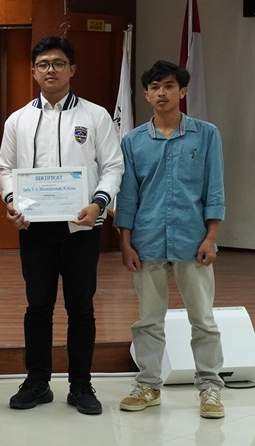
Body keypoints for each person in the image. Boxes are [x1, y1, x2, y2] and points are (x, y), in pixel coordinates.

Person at [0, 36, 124, 415]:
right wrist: (11, 200)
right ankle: (37, 381)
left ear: (72, 69)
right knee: (38, 306)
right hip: (34, 227)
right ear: (33, 72)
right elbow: (5, 168)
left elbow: (113, 165)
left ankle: (81, 384)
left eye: (57, 63)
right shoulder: (18, 119)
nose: (50, 70)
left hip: (81, 225)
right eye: (43, 64)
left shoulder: (95, 116)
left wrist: (98, 203)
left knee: (80, 307)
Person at [115, 60, 225, 419]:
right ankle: (148, 384)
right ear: (146, 95)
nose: (161, 92)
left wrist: (211, 237)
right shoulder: (132, 141)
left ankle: (209, 387)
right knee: (148, 320)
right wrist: (125, 242)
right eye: (154, 87)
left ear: (182, 91)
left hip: (193, 241)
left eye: (168, 86)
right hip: (146, 240)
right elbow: (128, 196)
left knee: (203, 319)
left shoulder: (206, 135)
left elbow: (214, 190)